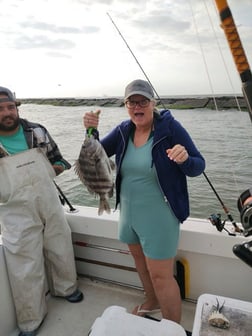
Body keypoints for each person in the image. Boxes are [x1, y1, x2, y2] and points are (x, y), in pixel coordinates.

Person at [83, 79, 205, 323]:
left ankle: (172, 327)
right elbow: (94, 154)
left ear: (153, 103)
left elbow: (198, 166)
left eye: (143, 101)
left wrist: (184, 160)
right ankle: (153, 301)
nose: (137, 106)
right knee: (140, 263)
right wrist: (90, 131)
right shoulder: (122, 130)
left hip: (159, 215)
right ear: (126, 105)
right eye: (132, 102)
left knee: (162, 276)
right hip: (128, 213)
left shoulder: (170, 129)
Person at [0, 86, 83, 336]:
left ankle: (66, 288)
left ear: (17, 107)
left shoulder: (37, 131)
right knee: (24, 264)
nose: (7, 112)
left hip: (48, 199)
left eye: (10, 107)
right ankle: (31, 320)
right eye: (1, 109)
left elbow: (61, 160)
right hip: (13, 209)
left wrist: (51, 170)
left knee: (60, 243)